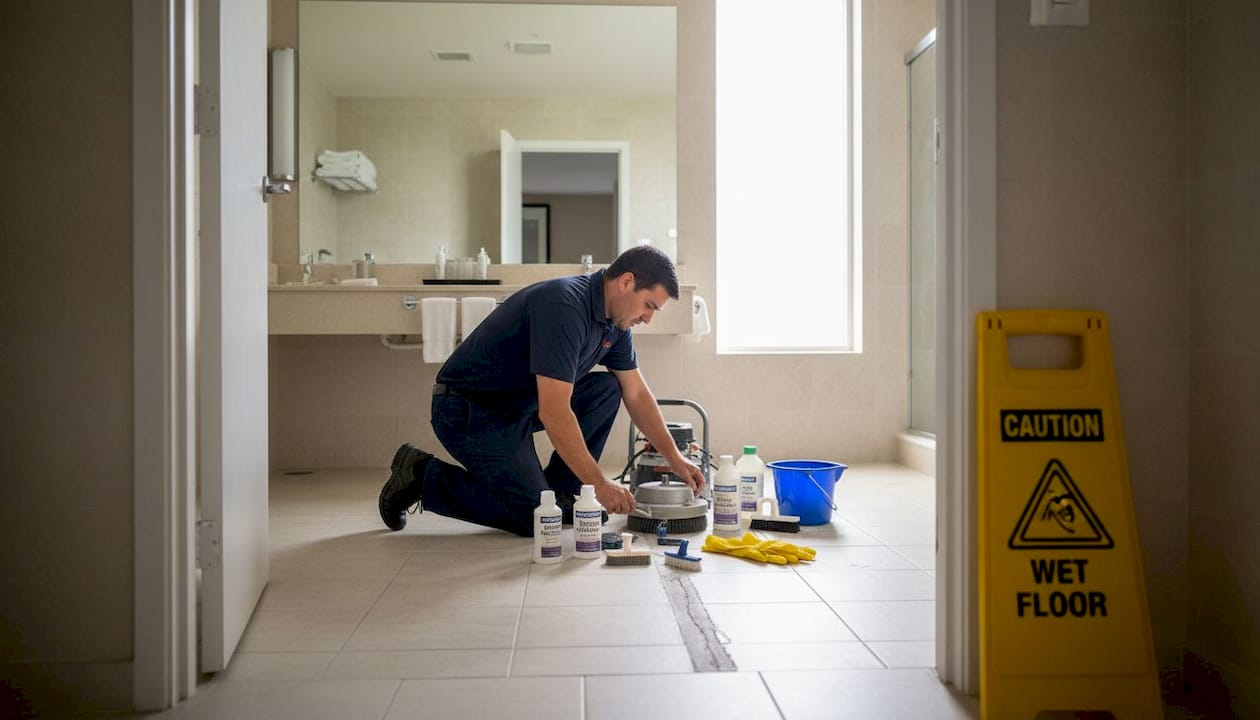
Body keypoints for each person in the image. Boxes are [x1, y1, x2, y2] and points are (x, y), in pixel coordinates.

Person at [378, 245, 706, 536]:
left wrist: (675, 460)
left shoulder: (614, 323)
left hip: (517, 406)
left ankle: (562, 494)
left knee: (608, 387)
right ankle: (421, 475)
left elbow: (636, 393)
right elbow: (554, 411)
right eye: (649, 305)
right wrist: (600, 485)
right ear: (626, 282)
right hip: (470, 410)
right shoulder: (565, 306)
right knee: (534, 518)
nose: (647, 318)